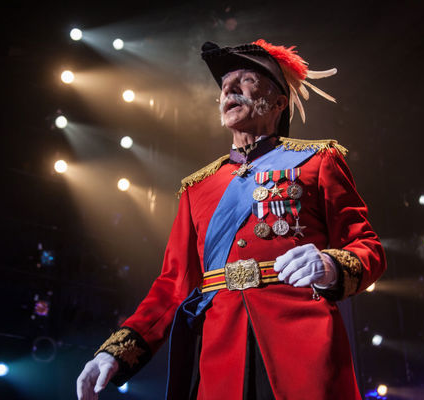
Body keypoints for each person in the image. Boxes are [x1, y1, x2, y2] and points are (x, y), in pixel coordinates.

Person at [76, 39, 386, 400]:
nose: (228, 88)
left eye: (246, 79)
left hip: (303, 345)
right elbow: (174, 285)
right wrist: (116, 352)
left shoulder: (318, 161)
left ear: (278, 102)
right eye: (225, 84)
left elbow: (368, 248)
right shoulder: (198, 187)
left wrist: (330, 264)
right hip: (221, 354)